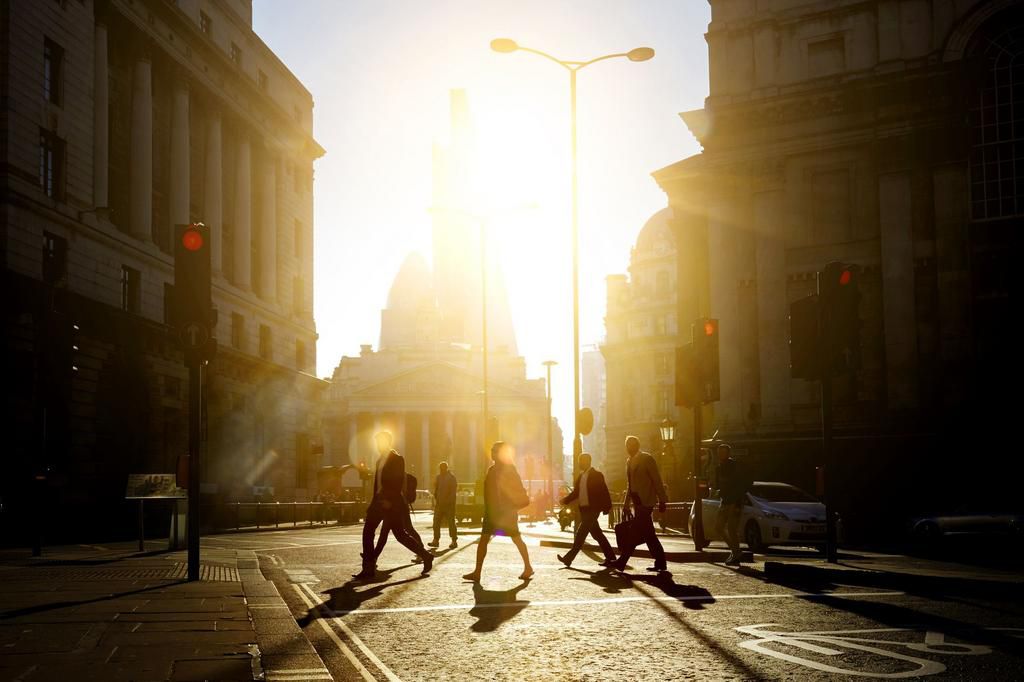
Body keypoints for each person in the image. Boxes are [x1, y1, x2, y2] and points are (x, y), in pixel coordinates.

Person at [353, 431, 433, 579]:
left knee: (400, 535)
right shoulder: (379, 461)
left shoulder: (397, 459)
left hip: (391, 503)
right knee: (368, 531)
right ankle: (368, 568)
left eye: (380, 442)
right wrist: (373, 503)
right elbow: (377, 485)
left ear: (388, 442)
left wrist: (390, 501)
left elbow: (397, 483)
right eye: (376, 442)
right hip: (378, 502)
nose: (378, 445)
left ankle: (426, 555)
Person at [462, 441, 534, 582]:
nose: (492, 453)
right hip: (492, 513)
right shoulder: (491, 469)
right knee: (483, 540)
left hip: (506, 513)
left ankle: (528, 567)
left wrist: (511, 506)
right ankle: (477, 572)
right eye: (491, 450)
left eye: (494, 450)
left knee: (517, 539)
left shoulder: (509, 469)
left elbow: (517, 489)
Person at [611, 435, 668, 573]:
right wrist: (625, 504)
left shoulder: (646, 459)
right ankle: (661, 562)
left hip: (646, 502)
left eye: (631, 444)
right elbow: (629, 485)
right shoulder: (629, 461)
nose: (629, 447)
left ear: (637, 445)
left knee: (635, 533)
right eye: (627, 445)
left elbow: (656, 479)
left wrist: (662, 499)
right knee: (649, 535)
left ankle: (622, 561)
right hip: (637, 503)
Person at [557, 452, 616, 568]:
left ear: (588, 461)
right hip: (584, 510)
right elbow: (576, 493)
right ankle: (611, 558)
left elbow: (603, 491)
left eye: (581, 461)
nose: (579, 463)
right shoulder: (581, 476)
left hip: (593, 510)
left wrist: (606, 507)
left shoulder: (597, 475)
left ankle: (568, 558)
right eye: (579, 461)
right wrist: (565, 500)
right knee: (597, 535)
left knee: (581, 534)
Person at [715, 443, 749, 566]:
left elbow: (739, 485)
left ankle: (735, 553)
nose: (720, 455)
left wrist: (738, 502)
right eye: (719, 452)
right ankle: (735, 551)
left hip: (734, 501)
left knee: (731, 529)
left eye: (723, 452)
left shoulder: (734, 466)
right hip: (725, 501)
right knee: (719, 527)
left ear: (728, 453)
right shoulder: (720, 467)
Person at [430, 461, 458, 549]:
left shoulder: (451, 478)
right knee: (436, 522)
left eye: (442, 468)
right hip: (439, 504)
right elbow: (436, 489)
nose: (441, 470)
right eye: (440, 468)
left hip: (449, 505)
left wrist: (448, 501)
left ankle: (454, 541)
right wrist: (436, 498)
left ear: (446, 468)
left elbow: (453, 492)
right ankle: (436, 540)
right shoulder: (438, 477)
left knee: (451, 523)